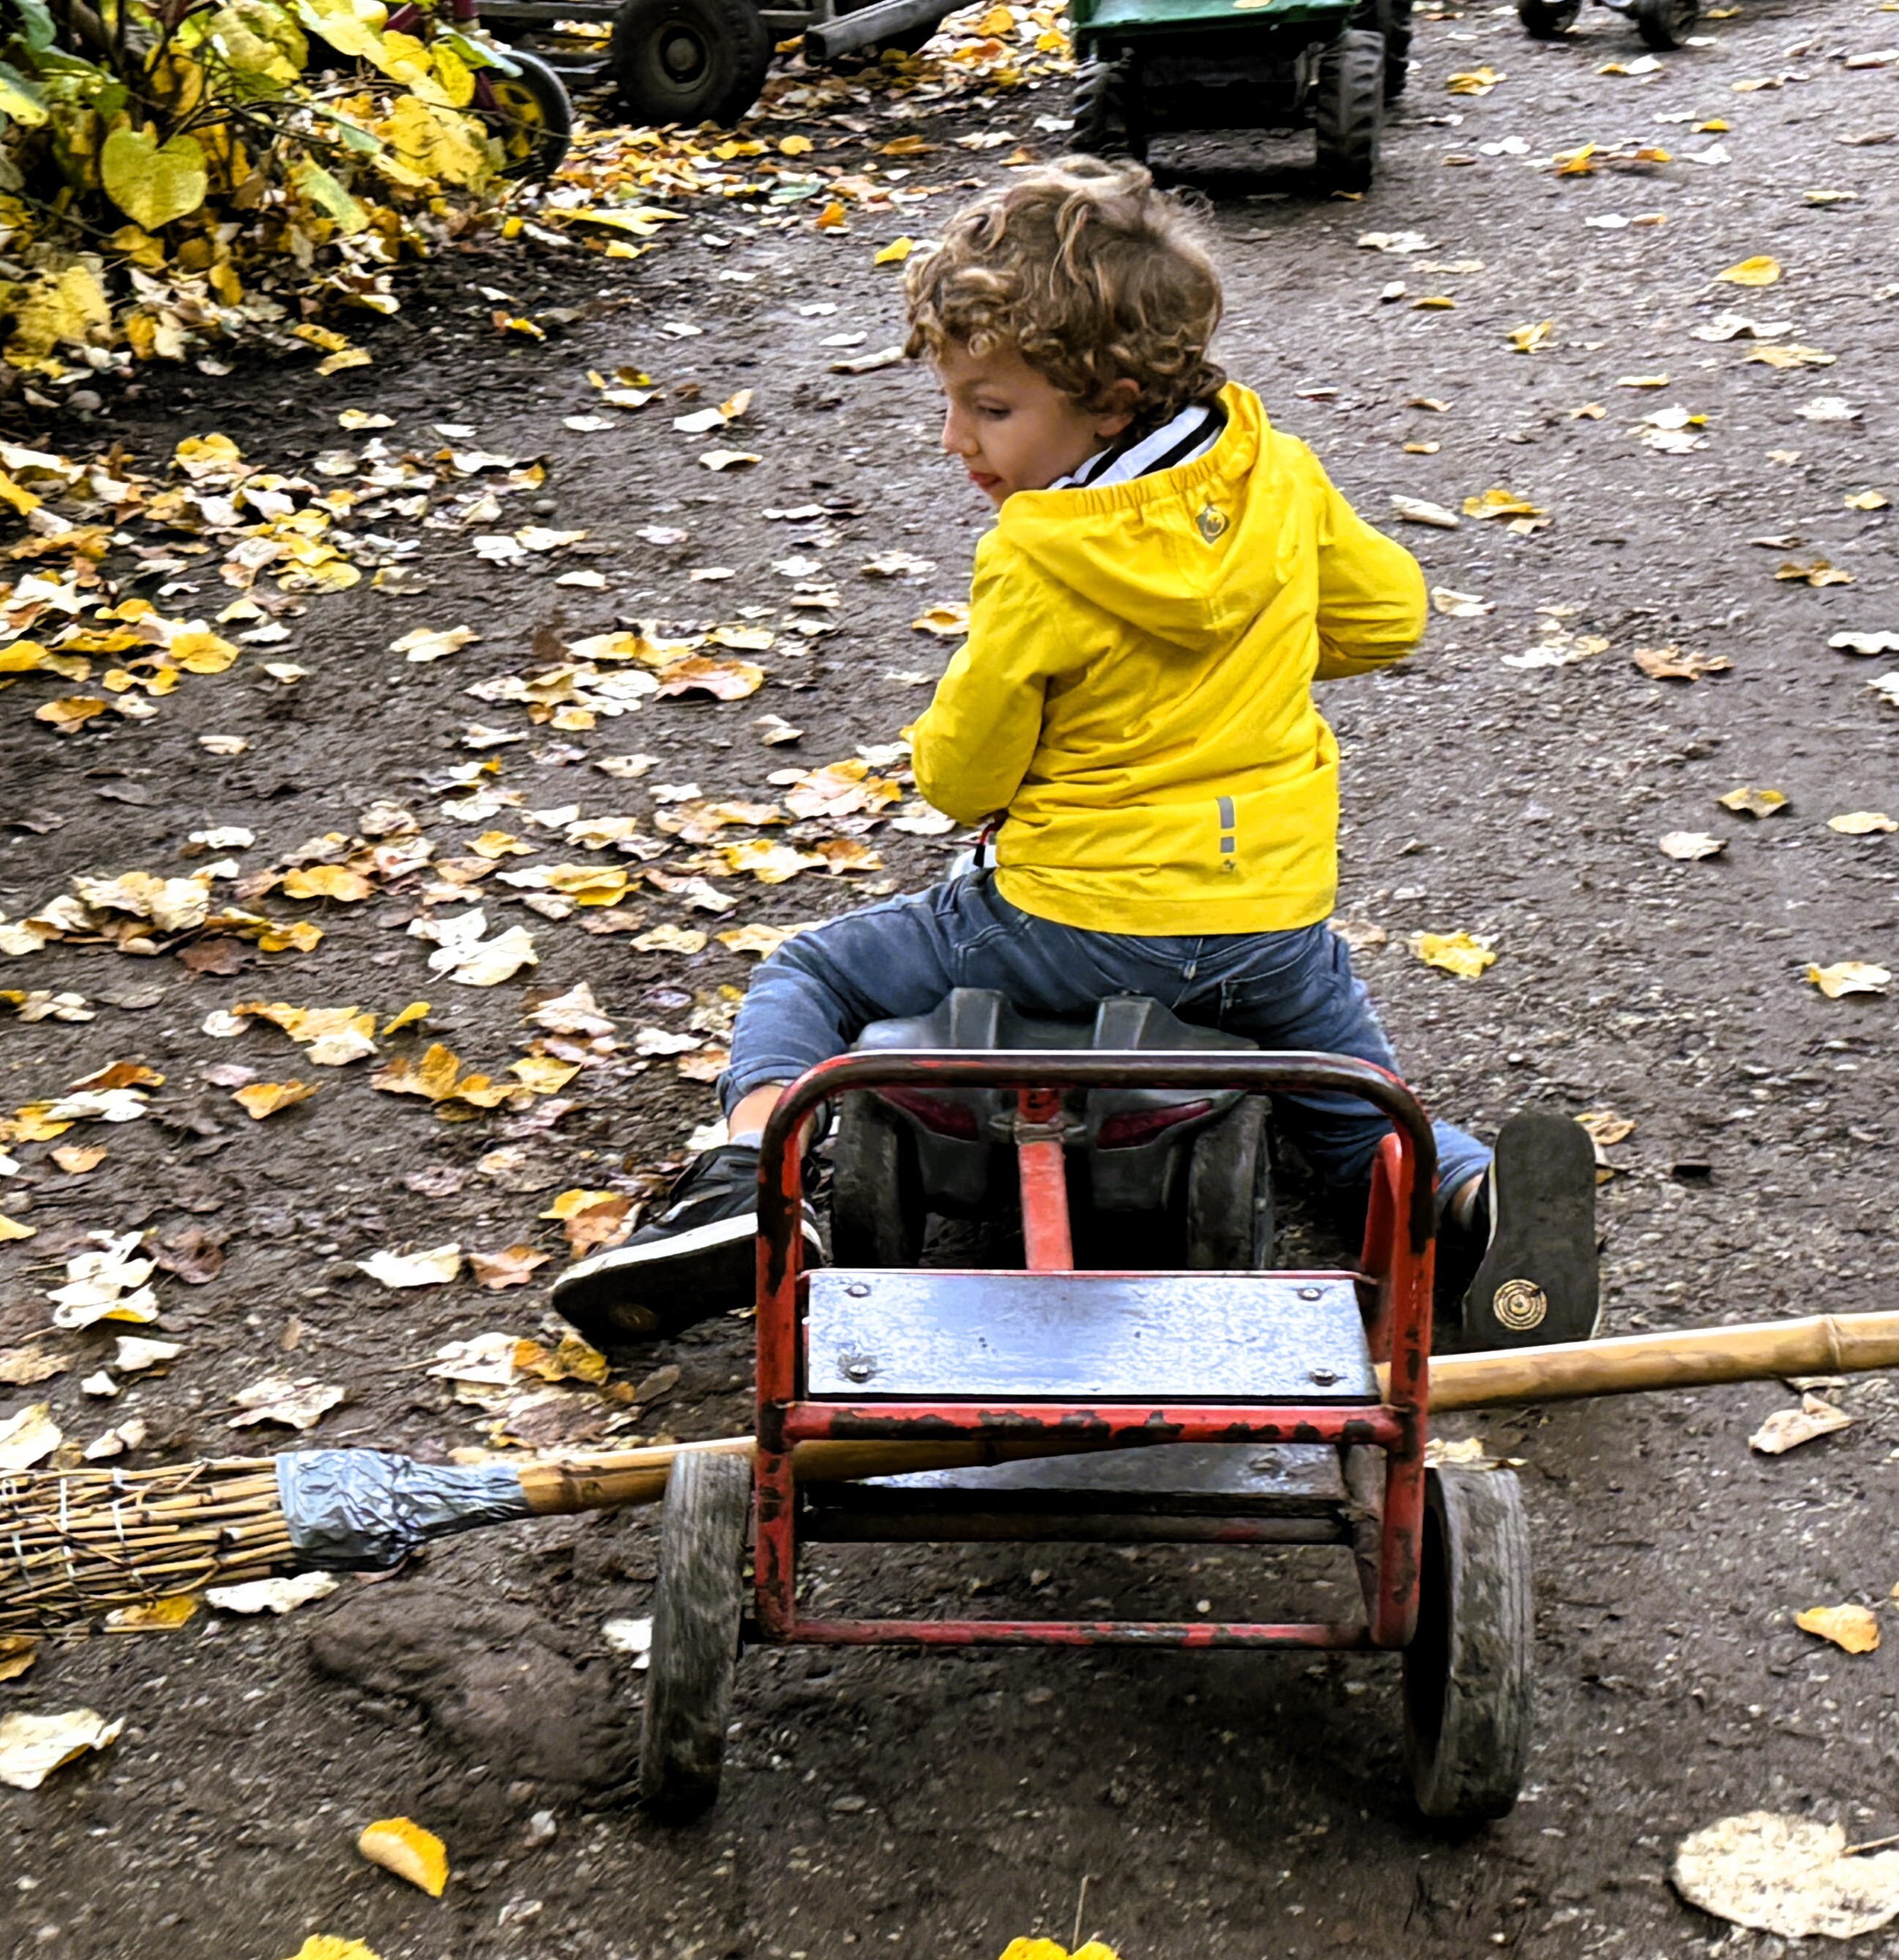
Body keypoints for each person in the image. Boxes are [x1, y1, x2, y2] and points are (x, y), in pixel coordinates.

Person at [551, 157, 1597, 1357]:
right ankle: (1479, 1201)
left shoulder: (1043, 553)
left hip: (1070, 917)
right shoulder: (1277, 471)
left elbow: (964, 777)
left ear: (1110, 401)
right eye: (951, 402)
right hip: (1267, 921)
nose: (956, 439)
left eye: (991, 409)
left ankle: (741, 1177)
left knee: (809, 972)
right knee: (1351, 1107)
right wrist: (1243, 666)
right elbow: (1384, 619)